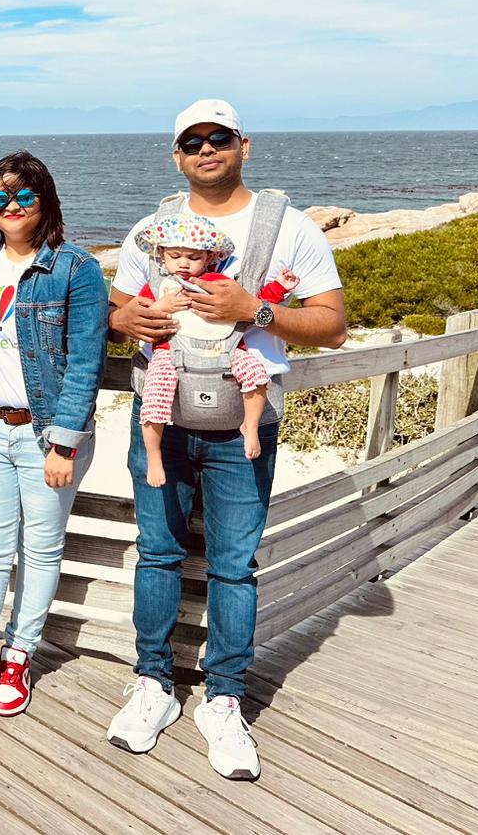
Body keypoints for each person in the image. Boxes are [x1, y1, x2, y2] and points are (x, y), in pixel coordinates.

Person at [107, 99, 346, 780]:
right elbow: (121, 308)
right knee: (156, 554)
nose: (205, 149)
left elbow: (333, 326)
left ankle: (224, 698)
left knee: (234, 566)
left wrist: (256, 309)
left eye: (218, 138)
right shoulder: (151, 229)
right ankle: (153, 684)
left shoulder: (290, 228)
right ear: (175, 156)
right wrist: (140, 321)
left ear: (244, 144)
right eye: (191, 141)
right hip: (161, 414)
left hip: (246, 423)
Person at [0, 151, 109, 739]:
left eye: (23, 197)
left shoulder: (74, 269)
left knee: (40, 549)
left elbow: (86, 361)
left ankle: (18, 656)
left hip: (46, 435)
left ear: (45, 203)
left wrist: (63, 442)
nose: (10, 208)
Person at [133, 214, 301, 484]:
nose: (184, 263)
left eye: (194, 257)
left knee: (256, 376)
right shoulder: (156, 287)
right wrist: (158, 308)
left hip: (225, 348)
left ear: (210, 257)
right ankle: (154, 455)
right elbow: (139, 316)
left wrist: (280, 287)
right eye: (175, 255)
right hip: (170, 351)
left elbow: (253, 303)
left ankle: (251, 425)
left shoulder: (220, 282)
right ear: (161, 254)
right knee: (154, 394)